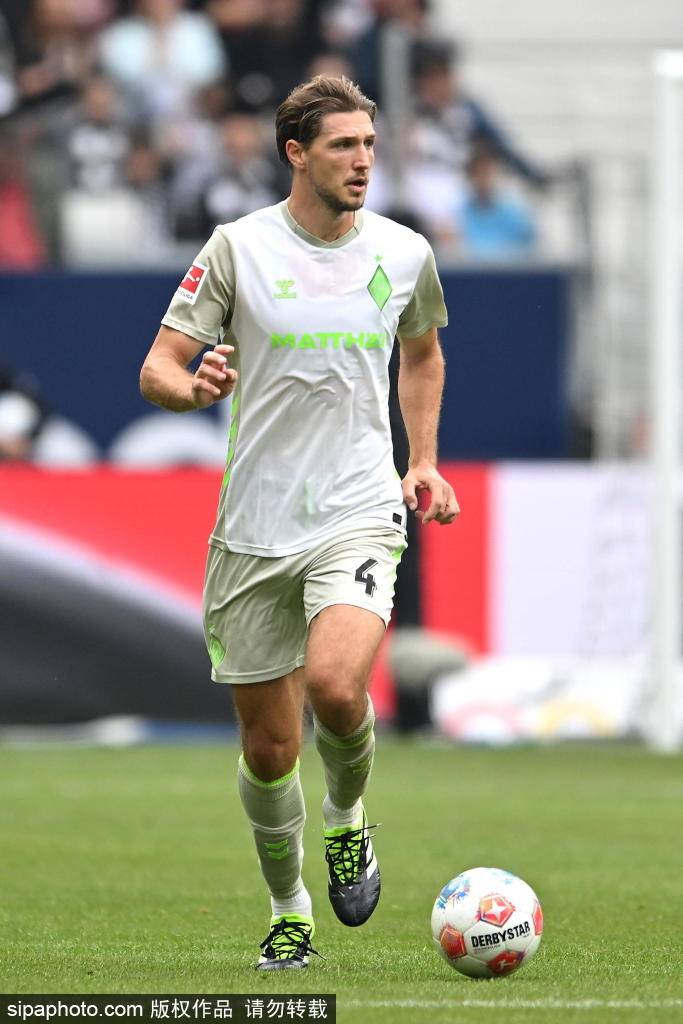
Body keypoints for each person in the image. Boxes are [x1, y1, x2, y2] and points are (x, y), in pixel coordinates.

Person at [139, 73, 458, 970]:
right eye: (342, 146)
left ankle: (347, 819)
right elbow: (158, 366)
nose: (362, 161)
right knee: (271, 747)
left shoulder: (403, 252)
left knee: (335, 687)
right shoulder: (238, 248)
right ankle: (290, 911)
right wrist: (190, 389)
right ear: (296, 154)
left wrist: (422, 460)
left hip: (357, 507)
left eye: (369, 144)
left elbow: (423, 353)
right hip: (254, 525)